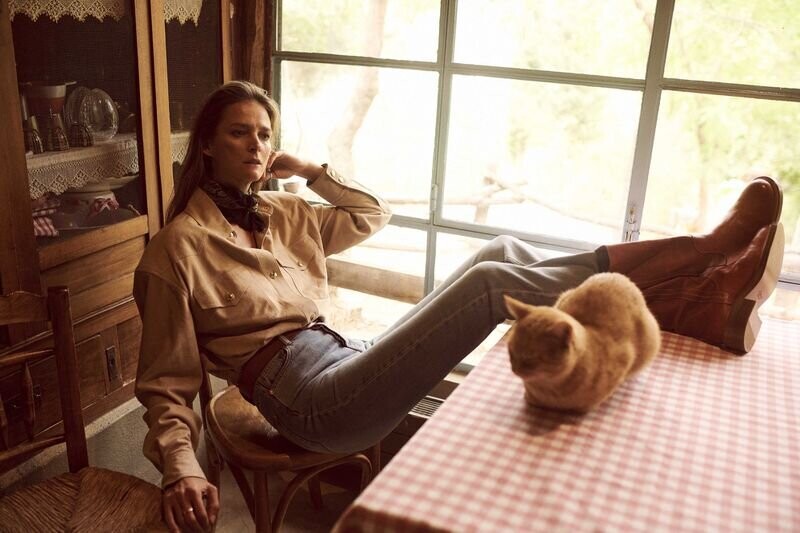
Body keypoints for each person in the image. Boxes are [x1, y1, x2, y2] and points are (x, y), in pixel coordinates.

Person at [134, 80, 784, 532]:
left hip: (342, 355)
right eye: (239, 133)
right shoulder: (176, 249)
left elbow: (371, 213)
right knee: (491, 286)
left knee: (498, 249)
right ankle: (696, 265)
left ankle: (695, 290)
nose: (255, 144)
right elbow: (166, 384)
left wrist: (311, 173)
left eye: (264, 133)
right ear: (207, 145)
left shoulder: (285, 210)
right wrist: (180, 468)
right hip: (305, 400)